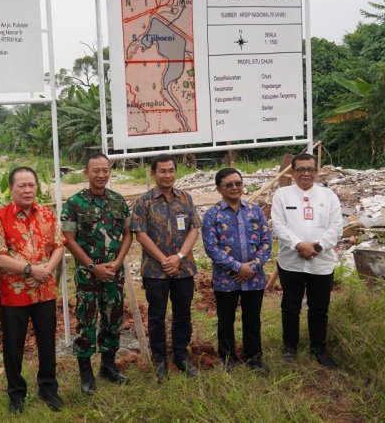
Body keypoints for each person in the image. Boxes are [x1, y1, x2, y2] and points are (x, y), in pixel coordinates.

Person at [0, 167, 65, 413]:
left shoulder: (48, 214)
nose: (28, 190)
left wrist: (46, 272)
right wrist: (32, 270)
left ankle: (48, 388)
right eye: (22, 185)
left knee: (47, 341)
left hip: (45, 291)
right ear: (11, 189)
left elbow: (59, 247)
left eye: (31, 185)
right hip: (14, 294)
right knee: (13, 346)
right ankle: (16, 394)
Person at [61, 153, 133, 395]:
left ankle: (108, 366)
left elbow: (128, 234)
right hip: (88, 276)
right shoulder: (74, 203)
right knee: (87, 322)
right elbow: (68, 239)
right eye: (96, 170)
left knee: (113, 320)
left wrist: (118, 262)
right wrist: (93, 267)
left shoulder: (118, 201)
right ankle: (85, 373)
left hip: (114, 274)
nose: (101, 174)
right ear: (86, 173)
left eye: (105, 170)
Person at [131, 154, 200, 381]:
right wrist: (164, 260)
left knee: (183, 314)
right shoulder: (144, 202)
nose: (168, 175)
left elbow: (194, 229)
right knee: (157, 315)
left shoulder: (186, 199)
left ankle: (181, 355)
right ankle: (160, 359)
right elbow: (140, 234)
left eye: (171, 170)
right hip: (155, 271)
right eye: (163, 171)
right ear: (153, 173)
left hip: (183, 269)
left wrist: (179, 257)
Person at [272, 153, 343, 369]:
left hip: (321, 263)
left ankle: (318, 350)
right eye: (300, 169)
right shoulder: (282, 195)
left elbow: (336, 227)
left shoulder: (328, 196)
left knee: (319, 308)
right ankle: (290, 348)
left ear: (317, 171)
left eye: (310, 169)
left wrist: (318, 246)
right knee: (290, 307)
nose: (305, 174)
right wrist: (298, 245)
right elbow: (278, 224)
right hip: (291, 262)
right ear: (292, 172)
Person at [202, 168, 272, 376]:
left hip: (254, 277)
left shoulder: (255, 211)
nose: (235, 188)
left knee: (252, 319)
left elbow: (267, 241)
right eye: (229, 185)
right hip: (226, 279)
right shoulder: (212, 215)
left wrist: (251, 267)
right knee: (226, 320)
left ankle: (254, 358)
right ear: (219, 189)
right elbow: (211, 248)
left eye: (238, 183)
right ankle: (228, 358)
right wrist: (237, 267)